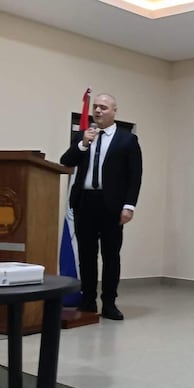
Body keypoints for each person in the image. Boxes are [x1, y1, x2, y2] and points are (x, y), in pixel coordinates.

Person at [60, 93, 142, 320]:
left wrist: (129, 206)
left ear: (114, 111)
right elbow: (66, 161)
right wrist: (83, 143)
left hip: (112, 206)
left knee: (110, 255)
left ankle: (109, 303)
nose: (97, 111)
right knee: (86, 255)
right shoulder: (84, 136)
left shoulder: (127, 140)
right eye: (95, 107)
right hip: (85, 203)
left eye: (103, 107)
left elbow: (135, 176)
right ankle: (88, 301)